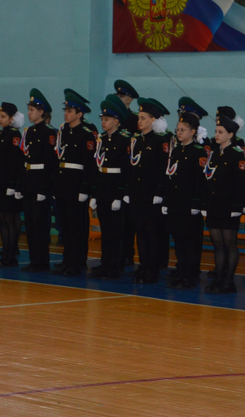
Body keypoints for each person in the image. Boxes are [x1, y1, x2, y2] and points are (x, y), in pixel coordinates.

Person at [52, 91, 98, 276]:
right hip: (62, 184)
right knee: (65, 226)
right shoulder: (63, 131)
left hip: (76, 185)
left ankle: (77, 262)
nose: (66, 114)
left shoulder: (86, 135)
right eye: (66, 110)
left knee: (76, 226)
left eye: (70, 111)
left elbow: (89, 164)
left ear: (79, 114)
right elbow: (58, 160)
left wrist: (86, 189)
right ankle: (67, 260)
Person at [160, 112, 208, 289]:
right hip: (176, 202)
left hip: (189, 204)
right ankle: (181, 273)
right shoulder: (176, 151)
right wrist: (166, 200)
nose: (179, 133)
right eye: (178, 129)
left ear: (193, 132)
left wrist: (196, 203)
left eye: (183, 130)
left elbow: (200, 181)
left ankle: (189, 275)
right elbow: (169, 177)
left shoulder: (198, 152)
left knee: (190, 241)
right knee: (178, 240)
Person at [127, 97, 172, 284]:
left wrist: (160, 193)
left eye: (143, 118)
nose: (140, 121)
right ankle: (143, 266)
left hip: (152, 195)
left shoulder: (160, 141)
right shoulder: (137, 140)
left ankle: (152, 269)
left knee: (152, 233)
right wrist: (129, 191)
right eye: (139, 118)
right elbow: (133, 169)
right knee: (141, 233)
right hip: (138, 194)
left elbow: (163, 170)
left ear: (153, 120)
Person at [203, 116, 245, 294]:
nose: (216, 135)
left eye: (220, 132)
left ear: (230, 135)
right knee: (218, 244)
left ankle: (229, 281)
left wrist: (237, 207)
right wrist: (205, 204)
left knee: (229, 243)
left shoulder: (237, 154)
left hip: (229, 207)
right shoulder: (214, 154)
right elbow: (208, 181)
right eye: (216, 131)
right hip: (214, 205)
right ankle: (219, 278)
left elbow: (240, 183)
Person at [89, 96, 131, 279]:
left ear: (116, 121)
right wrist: (94, 194)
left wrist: (119, 195)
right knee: (105, 230)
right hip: (103, 189)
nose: (103, 122)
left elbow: (125, 170)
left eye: (107, 119)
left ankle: (115, 265)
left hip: (115, 190)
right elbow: (97, 169)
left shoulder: (124, 140)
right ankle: (105, 262)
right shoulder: (102, 140)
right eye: (102, 119)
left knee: (115, 231)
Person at [20, 89, 57, 272]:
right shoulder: (28, 132)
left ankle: (42, 261)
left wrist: (43, 188)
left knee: (40, 224)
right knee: (30, 224)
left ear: (41, 112)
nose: (29, 113)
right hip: (29, 181)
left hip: (40, 182)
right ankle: (34, 260)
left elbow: (50, 162)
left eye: (32, 110)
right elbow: (24, 159)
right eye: (28, 110)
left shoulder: (49, 132)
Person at [0, 102, 25, 267]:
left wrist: (12, 185)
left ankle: (11, 255)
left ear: (12, 118)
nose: (0, 119)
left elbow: (16, 162)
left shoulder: (15, 135)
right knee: (2, 219)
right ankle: (6, 253)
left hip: (9, 184)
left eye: (4, 117)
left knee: (9, 219)